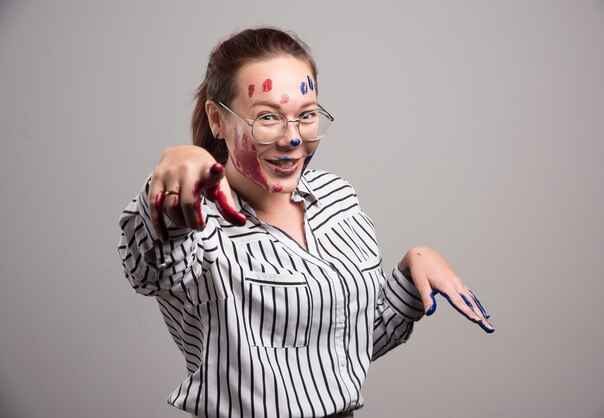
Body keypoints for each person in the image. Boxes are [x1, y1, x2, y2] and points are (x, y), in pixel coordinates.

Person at [118, 27, 494, 418]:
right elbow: (151, 268)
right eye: (268, 117)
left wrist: (413, 270)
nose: (293, 139)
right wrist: (171, 176)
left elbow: (342, 350)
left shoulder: (337, 198)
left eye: (307, 116)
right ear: (217, 119)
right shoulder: (197, 219)